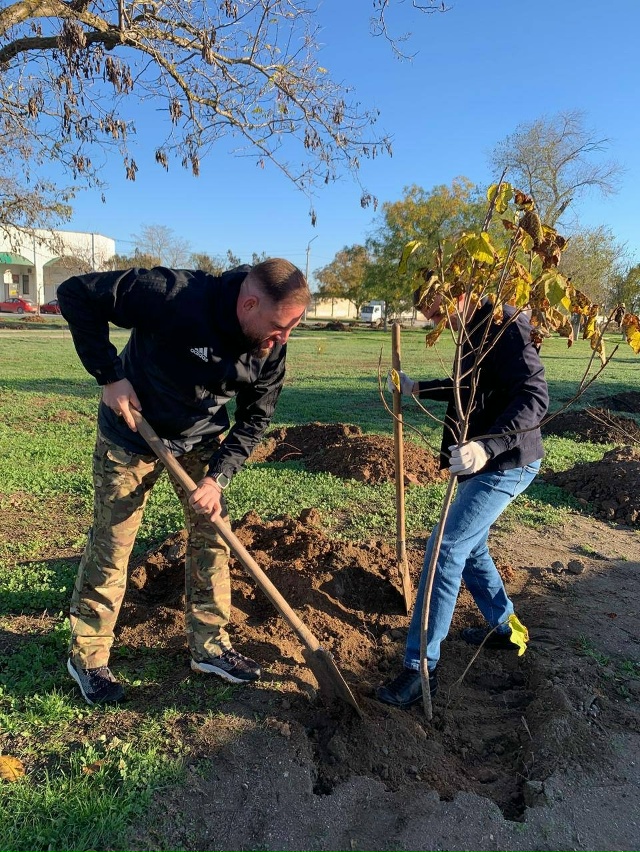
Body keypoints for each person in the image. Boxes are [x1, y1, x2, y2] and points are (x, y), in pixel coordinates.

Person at [58, 258, 311, 706]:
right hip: (132, 431)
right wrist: (110, 376)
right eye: (279, 326)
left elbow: (256, 419)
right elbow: (76, 293)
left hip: (200, 440)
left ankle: (209, 645)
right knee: (114, 544)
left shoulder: (270, 344)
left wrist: (217, 478)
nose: (283, 338)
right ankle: (89, 656)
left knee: (214, 535)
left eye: (291, 328)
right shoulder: (173, 293)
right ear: (249, 302)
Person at [377, 289, 549, 708]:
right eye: (427, 313)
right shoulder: (472, 331)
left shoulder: (504, 326)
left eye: (437, 309)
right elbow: (469, 387)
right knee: (471, 548)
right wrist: (419, 387)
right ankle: (506, 629)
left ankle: (421, 667)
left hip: (507, 461)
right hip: (487, 462)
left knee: (445, 547)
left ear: (462, 292)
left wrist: (486, 447)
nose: (436, 319)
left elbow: (534, 396)